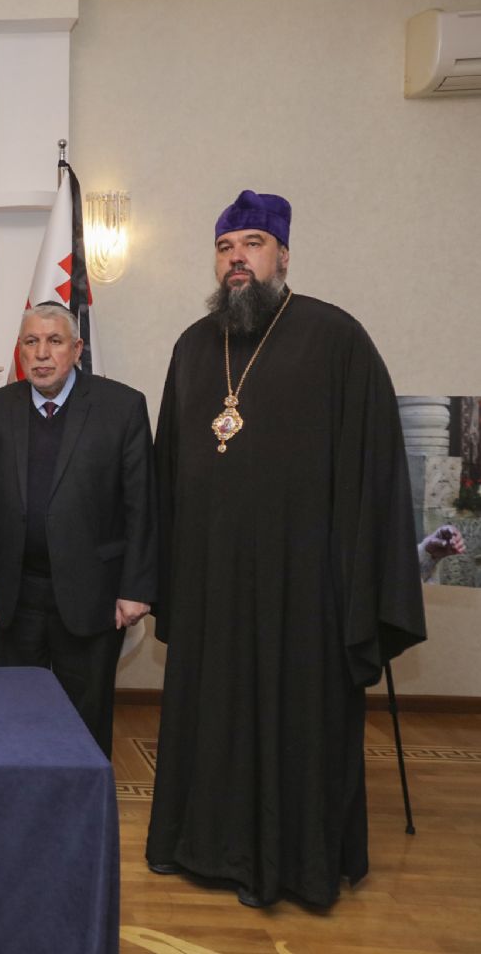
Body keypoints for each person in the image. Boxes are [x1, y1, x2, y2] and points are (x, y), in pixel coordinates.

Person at [147, 190, 426, 908]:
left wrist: (358, 583)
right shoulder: (193, 346)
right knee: (212, 719)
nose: (235, 259)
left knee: (294, 724)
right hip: (211, 587)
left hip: (302, 592)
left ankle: (290, 865)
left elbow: (374, 468)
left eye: (251, 244)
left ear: (283, 255)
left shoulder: (334, 338)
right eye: (224, 247)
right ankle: (201, 847)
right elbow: (167, 474)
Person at [0, 303, 155, 756]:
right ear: (20, 350)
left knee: (85, 720)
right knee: (16, 716)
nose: (42, 353)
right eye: (31, 342)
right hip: (14, 594)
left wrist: (136, 588)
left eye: (54, 341)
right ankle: (20, 796)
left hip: (94, 593)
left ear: (77, 349)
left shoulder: (121, 407)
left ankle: (83, 801)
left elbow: (141, 505)